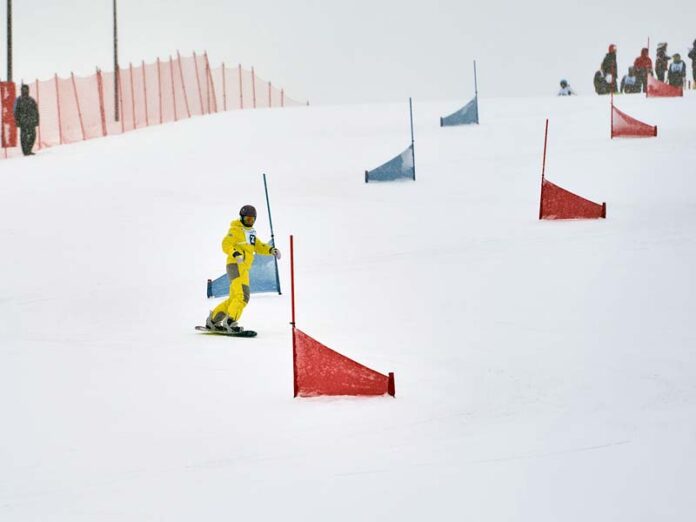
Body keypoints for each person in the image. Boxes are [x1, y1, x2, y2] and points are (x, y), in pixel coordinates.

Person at [204, 205, 281, 332]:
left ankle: (213, 320)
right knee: (242, 296)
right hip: (235, 265)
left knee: (235, 298)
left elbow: (259, 246)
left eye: (252, 220)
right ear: (241, 218)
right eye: (247, 219)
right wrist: (234, 253)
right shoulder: (235, 230)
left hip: (244, 268)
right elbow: (225, 244)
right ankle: (230, 322)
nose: (249, 222)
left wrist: (271, 250)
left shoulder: (251, 233)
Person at [13, 84, 39, 156]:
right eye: (23, 89)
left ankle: (29, 150)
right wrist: (17, 121)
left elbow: (36, 111)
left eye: (26, 89)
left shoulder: (31, 100)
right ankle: (25, 152)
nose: (25, 91)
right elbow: (15, 111)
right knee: (23, 137)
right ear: (21, 90)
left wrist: (37, 120)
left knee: (33, 135)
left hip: (31, 121)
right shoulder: (18, 100)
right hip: (23, 121)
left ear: (28, 90)